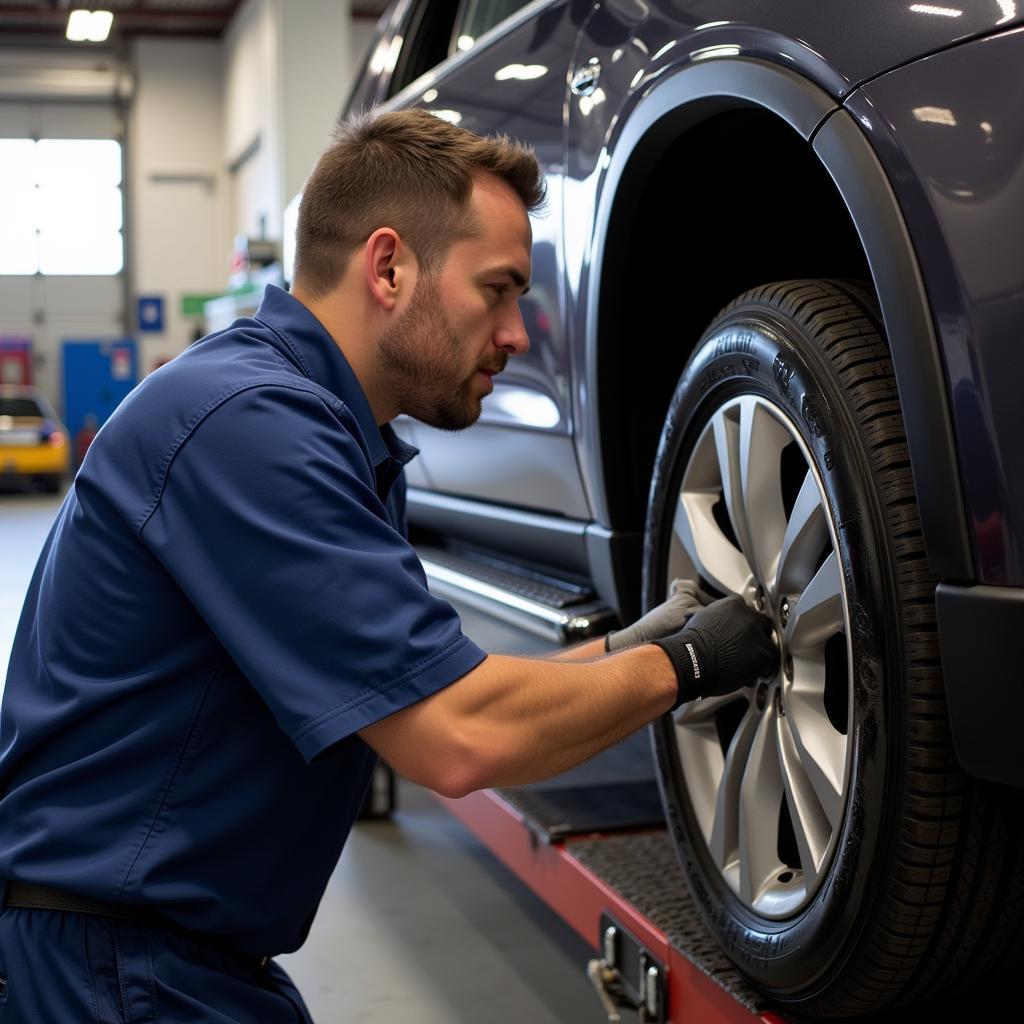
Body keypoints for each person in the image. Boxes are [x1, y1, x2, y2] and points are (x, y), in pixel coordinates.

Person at [0, 110, 775, 1022]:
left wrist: (623, 655)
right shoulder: (247, 425)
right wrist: (686, 666)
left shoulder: (333, 436)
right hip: (112, 971)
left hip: (180, 959)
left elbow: (428, 688)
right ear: (389, 267)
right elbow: (458, 736)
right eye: (498, 290)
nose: (518, 333)